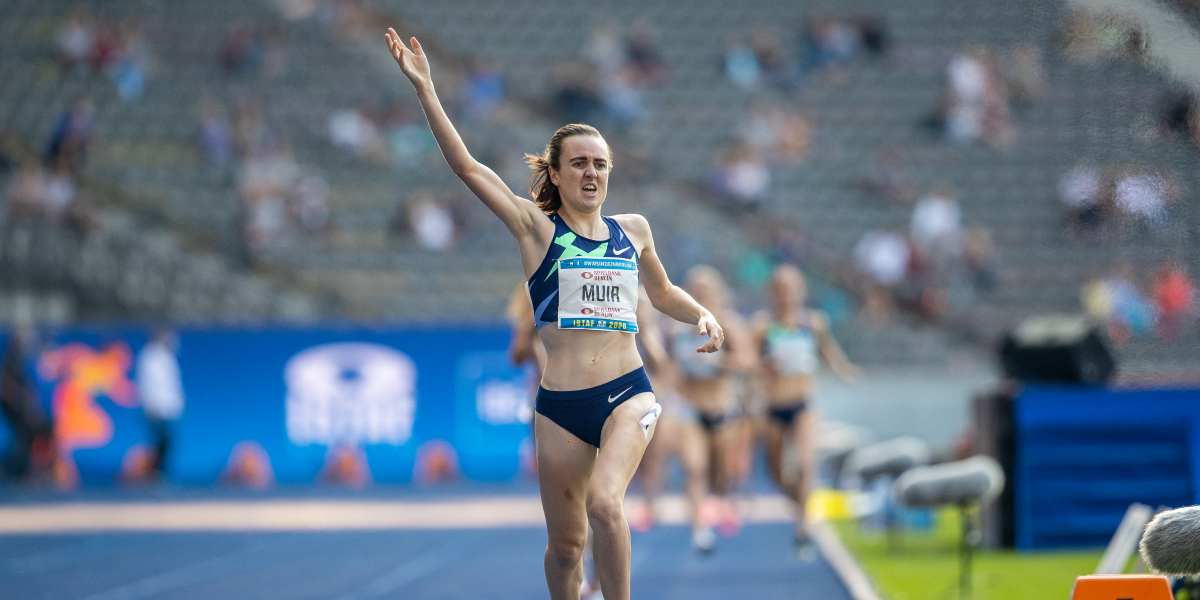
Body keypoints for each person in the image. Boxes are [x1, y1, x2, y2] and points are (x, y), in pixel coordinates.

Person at [385, 31, 724, 600]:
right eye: (580, 164)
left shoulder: (633, 230)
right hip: (562, 406)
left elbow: (662, 293)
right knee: (565, 550)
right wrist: (426, 90)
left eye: (601, 164)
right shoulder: (536, 229)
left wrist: (703, 315)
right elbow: (468, 167)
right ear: (558, 173)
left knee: (606, 506)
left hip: (628, 391)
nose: (592, 173)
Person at [750, 265, 861, 554]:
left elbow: (829, 350)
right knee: (776, 473)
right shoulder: (763, 326)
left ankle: (803, 528)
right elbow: (746, 362)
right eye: (780, 288)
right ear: (772, 293)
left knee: (803, 464)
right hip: (773, 406)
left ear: (801, 291)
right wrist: (762, 366)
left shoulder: (813, 323)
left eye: (791, 288)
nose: (786, 294)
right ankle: (795, 497)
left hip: (803, 404)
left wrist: (844, 370)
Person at [668, 266, 749, 553]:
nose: (701, 295)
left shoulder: (729, 323)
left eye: (706, 291)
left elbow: (747, 363)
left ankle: (722, 500)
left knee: (719, 474)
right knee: (694, 469)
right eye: (695, 290)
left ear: (717, 293)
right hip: (691, 408)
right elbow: (669, 366)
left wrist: (717, 363)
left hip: (722, 407)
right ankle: (699, 531)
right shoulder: (677, 327)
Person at [136, 326, 185, 479]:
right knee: (162, 441)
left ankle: (157, 474)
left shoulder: (167, 357)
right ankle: (154, 474)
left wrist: (177, 404)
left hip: (166, 410)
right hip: (156, 408)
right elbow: (150, 383)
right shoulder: (150, 356)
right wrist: (153, 404)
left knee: (167, 441)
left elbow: (171, 385)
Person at [1, 326, 47, 480]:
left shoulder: (20, 361)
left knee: (25, 438)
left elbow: (27, 389)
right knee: (21, 438)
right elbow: (8, 388)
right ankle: (15, 471)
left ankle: (19, 470)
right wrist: (17, 407)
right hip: (15, 409)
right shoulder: (12, 360)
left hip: (18, 409)